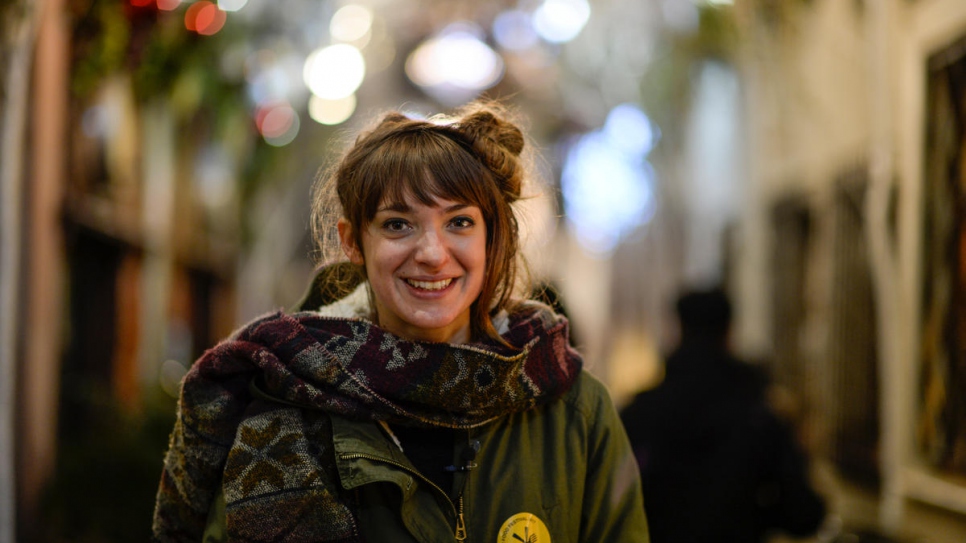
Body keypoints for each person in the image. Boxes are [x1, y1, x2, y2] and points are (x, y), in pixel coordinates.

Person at [152, 100, 648, 542]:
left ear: (491, 238)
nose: (432, 253)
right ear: (353, 241)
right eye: (397, 224)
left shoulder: (573, 411)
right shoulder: (283, 398)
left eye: (459, 222)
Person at [619, 287, 826, 543]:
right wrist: (753, 515)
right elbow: (803, 513)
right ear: (729, 333)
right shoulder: (758, 417)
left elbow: (615, 507)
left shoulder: (639, 414)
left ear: (678, 331)